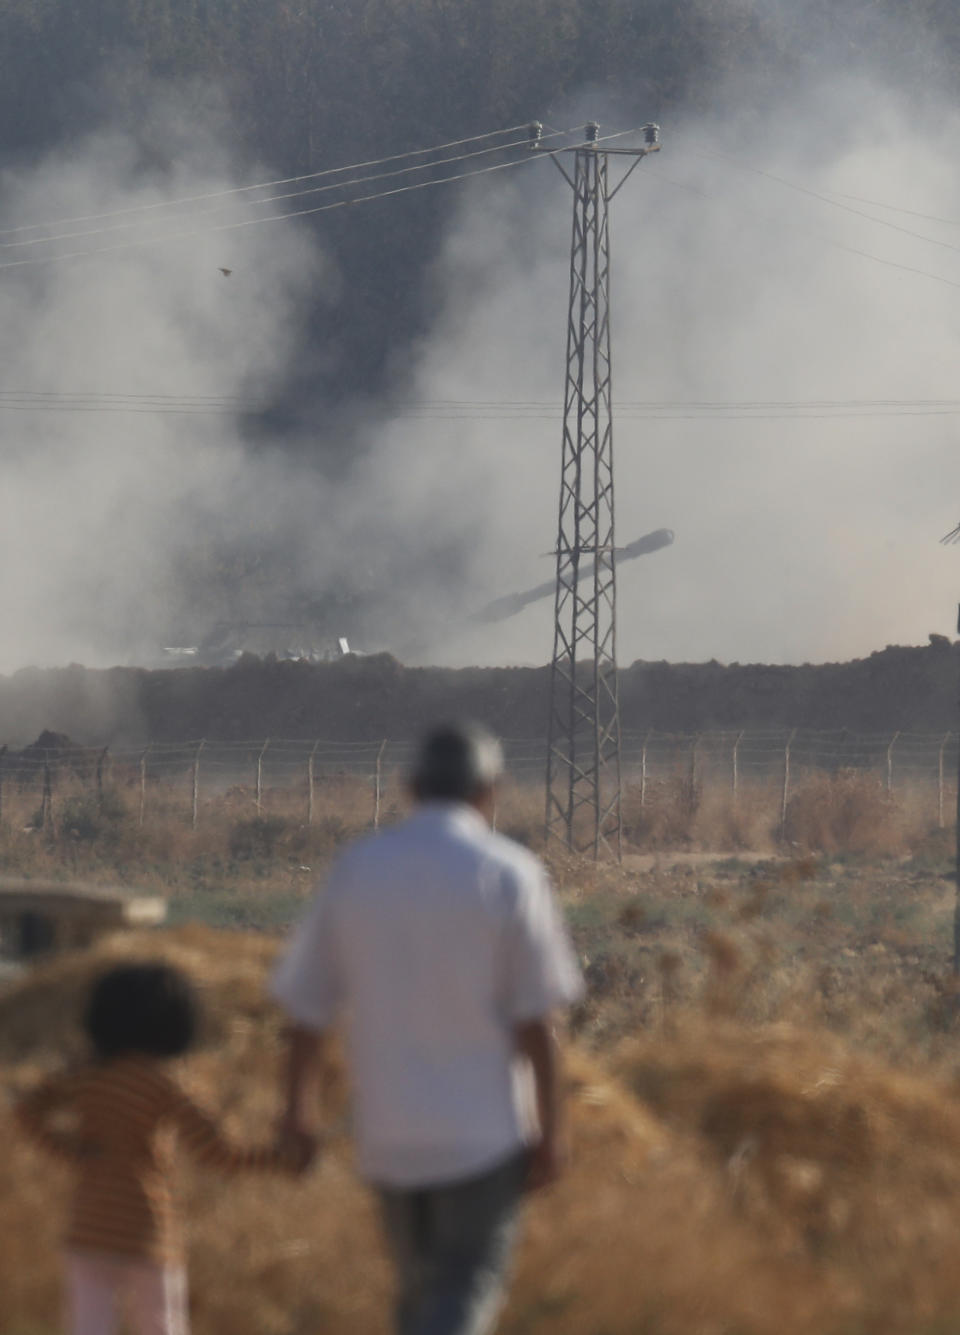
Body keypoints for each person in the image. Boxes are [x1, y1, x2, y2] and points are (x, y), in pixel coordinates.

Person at [272, 721, 584, 1335]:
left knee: (418, 1295)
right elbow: (538, 1023)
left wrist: (295, 1117)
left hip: (388, 1133)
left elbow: (305, 1013)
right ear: (489, 792)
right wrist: (553, 1131)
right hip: (484, 1137)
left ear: (408, 787)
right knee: (464, 1289)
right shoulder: (511, 875)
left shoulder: (357, 870)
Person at [15, 960, 309, 1335]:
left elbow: (26, 1110)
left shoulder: (85, 1078)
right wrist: (279, 1159)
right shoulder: (166, 1087)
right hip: (146, 1234)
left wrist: (70, 1151)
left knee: (88, 1327)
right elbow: (218, 1155)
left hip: (88, 1229)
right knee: (162, 1327)